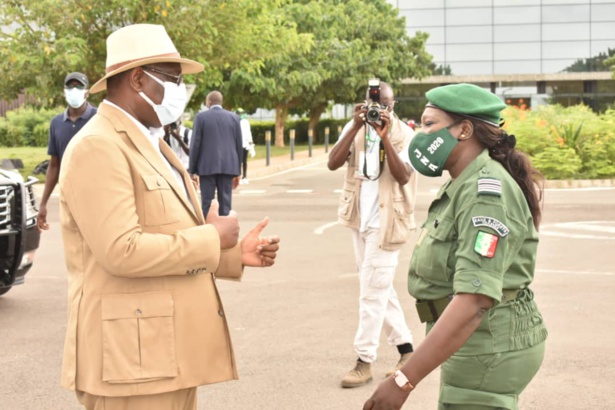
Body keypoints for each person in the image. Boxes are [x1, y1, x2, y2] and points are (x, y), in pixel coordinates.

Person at [58, 24, 280, 410]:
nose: (180, 90)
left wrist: (230, 255)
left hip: (161, 353)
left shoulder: (150, 140)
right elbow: (121, 251)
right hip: (132, 362)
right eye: (173, 79)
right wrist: (212, 239)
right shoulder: (99, 146)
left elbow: (164, 232)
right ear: (138, 79)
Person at [363, 83, 547, 410]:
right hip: (474, 342)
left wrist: (403, 380)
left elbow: (475, 298)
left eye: (430, 124)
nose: (421, 133)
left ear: (464, 129)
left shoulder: (484, 193)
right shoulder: (463, 181)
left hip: (488, 346)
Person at [328, 80, 418, 388]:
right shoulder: (355, 128)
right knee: (378, 286)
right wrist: (354, 127)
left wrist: (385, 139)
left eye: (384, 105)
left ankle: (364, 361)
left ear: (393, 106)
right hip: (360, 220)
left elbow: (404, 175)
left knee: (371, 292)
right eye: (371, 104)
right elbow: (332, 162)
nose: (377, 110)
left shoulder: (406, 135)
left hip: (387, 222)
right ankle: (406, 349)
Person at [37, 72, 97, 231]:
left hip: (96, 193)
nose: (74, 89)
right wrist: (43, 203)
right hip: (69, 195)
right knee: (74, 245)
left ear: (87, 91)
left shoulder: (99, 118)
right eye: (70, 86)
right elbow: (54, 165)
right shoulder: (56, 123)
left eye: (79, 86)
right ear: (65, 91)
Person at [189, 91, 243, 217]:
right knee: (225, 204)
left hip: (206, 167)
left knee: (207, 203)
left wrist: (192, 170)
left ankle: (209, 232)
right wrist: (238, 172)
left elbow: (195, 145)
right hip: (228, 167)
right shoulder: (234, 118)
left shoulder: (200, 118)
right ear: (221, 102)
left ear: (209, 102)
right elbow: (238, 145)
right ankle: (225, 233)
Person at [236, 108, 255, 185]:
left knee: (245, 161)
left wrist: (251, 145)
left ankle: (245, 177)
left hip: (245, 144)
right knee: (238, 162)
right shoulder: (235, 122)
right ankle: (239, 177)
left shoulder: (246, 122)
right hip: (238, 144)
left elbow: (248, 133)